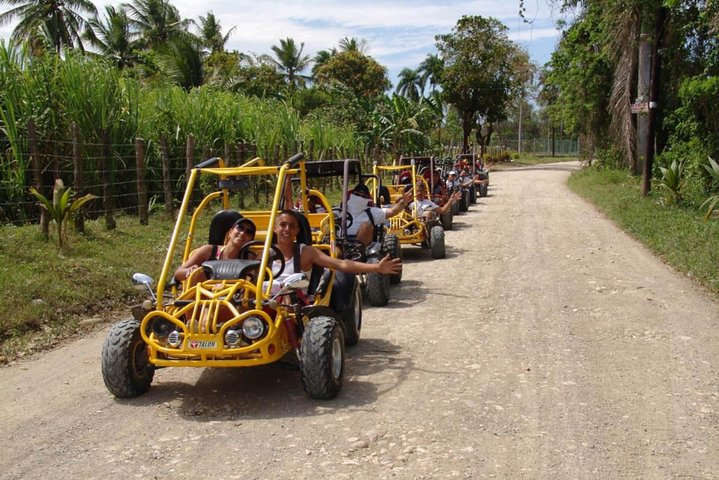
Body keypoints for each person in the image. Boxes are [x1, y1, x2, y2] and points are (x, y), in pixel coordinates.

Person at [272, 210, 401, 285]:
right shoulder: (266, 254)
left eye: (291, 226)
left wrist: (376, 267)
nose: (287, 229)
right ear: (275, 228)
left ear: (297, 230)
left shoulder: (306, 252)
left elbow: (341, 264)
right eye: (282, 225)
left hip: (296, 308)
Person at [174, 217, 257, 285]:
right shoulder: (208, 251)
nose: (242, 233)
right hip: (202, 299)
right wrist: (189, 271)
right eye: (240, 228)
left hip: (232, 300)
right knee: (197, 273)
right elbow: (178, 273)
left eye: (248, 232)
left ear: (250, 240)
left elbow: (252, 283)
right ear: (230, 232)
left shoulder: (249, 258)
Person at [346, 183, 413, 246]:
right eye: (357, 195)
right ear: (352, 195)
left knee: (366, 226)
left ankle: (356, 250)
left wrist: (403, 202)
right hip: (342, 242)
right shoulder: (340, 211)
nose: (359, 198)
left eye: (362, 196)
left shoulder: (371, 212)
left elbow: (392, 212)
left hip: (361, 246)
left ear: (367, 198)